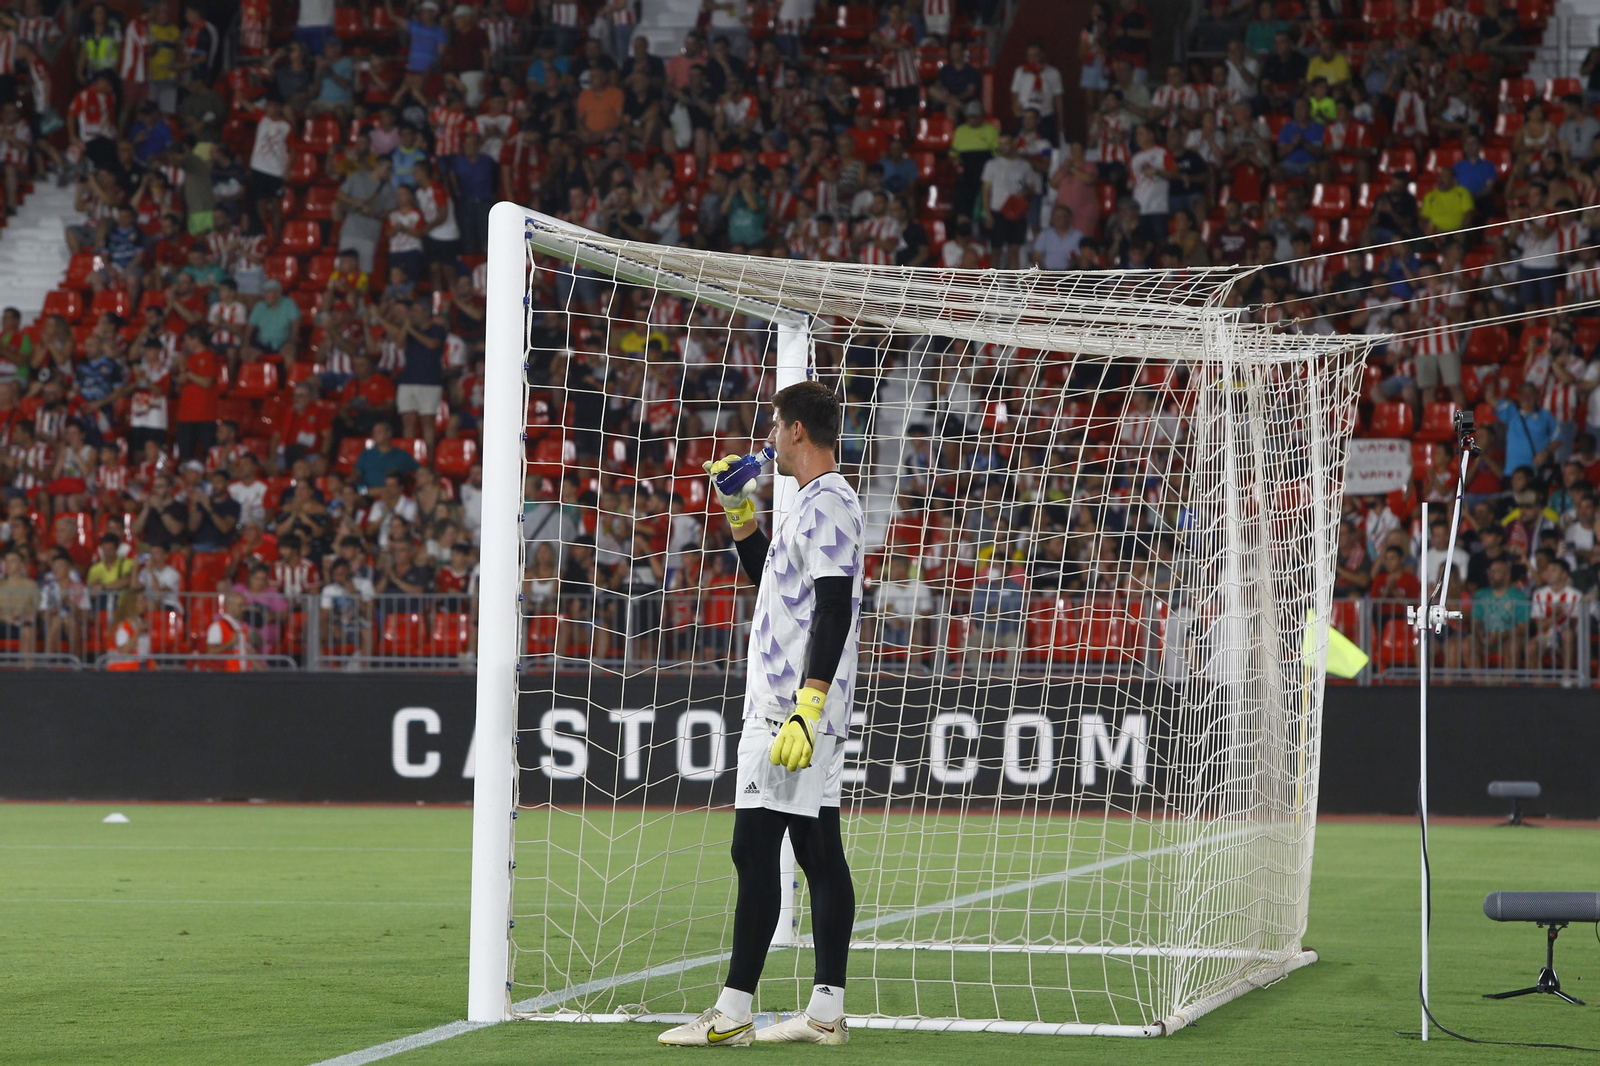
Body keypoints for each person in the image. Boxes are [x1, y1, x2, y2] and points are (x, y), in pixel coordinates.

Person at [658, 382, 862, 1047]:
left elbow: (834, 606)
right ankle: (825, 1012)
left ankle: (733, 1012)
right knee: (817, 850)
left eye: (775, 425)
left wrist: (809, 703)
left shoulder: (828, 502)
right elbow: (774, 582)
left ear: (797, 430)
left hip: (790, 709)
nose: (769, 437)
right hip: (790, 703)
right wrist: (739, 514)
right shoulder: (808, 502)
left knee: (752, 847)